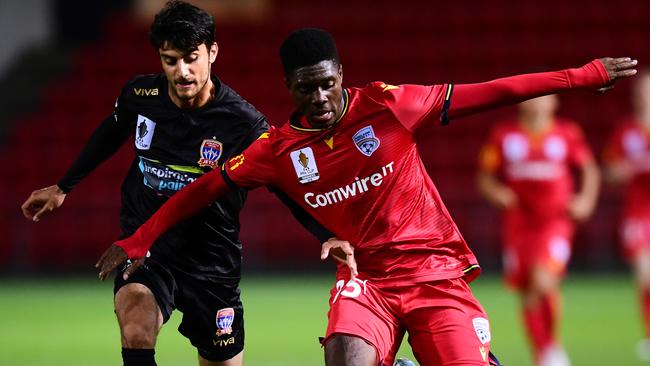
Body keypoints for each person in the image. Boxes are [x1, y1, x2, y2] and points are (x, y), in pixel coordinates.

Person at [96, 28, 637, 366]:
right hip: (367, 282)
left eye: (327, 83)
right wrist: (139, 237)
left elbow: (495, 91)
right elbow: (205, 189)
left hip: (434, 274)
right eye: (306, 88)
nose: (320, 97)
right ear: (290, 88)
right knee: (344, 359)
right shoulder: (276, 150)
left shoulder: (391, 106)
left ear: (341, 77)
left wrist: (581, 76)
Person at [20, 4, 344, 366]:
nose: (182, 71)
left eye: (191, 58)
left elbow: (283, 185)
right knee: (136, 328)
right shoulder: (140, 97)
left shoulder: (245, 124)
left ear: (213, 52)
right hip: (148, 248)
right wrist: (64, 186)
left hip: (211, 260)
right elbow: (111, 131)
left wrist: (323, 233)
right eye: (170, 60)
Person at [476, 94, 600, 366]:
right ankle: (543, 352)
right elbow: (484, 176)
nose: (536, 103)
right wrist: (497, 192)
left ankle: (550, 348)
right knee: (528, 290)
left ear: (554, 103)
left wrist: (586, 199)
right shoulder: (504, 135)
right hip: (519, 223)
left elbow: (589, 169)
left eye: (543, 98)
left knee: (544, 279)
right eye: (532, 98)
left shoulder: (567, 133)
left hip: (555, 221)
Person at [603, 69, 650, 360]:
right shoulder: (626, 131)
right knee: (645, 275)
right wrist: (619, 171)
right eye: (643, 91)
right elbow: (608, 169)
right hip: (638, 212)